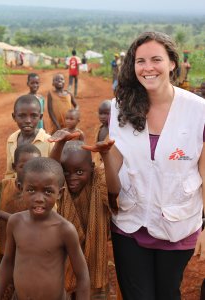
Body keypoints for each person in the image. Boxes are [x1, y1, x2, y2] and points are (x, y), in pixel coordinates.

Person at [84, 31, 205, 300]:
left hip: (179, 224)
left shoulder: (198, 111)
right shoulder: (121, 107)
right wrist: (105, 155)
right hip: (129, 223)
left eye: (156, 60)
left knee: (168, 293)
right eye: (140, 61)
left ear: (172, 63)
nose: (148, 68)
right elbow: (116, 173)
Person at [0, 157, 90, 300]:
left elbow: (82, 276)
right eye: (31, 190)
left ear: (60, 193)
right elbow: (7, 261)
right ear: (21, 188)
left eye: (48, 191)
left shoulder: (64, 230)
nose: (39, 198)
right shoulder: (15, 222)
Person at [50, 137, 118, 299]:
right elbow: (50, 171)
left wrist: (106, 155)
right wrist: (59, 144)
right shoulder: (59, 187)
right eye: (66, 172)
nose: (72, 177)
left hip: (95, 264)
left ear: (92, 168)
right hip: (64, 265)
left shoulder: (98, 180)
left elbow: (114, 189)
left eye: (79, 172)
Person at [0, 144, 42, 262]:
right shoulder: (5, 186)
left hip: (33, 256)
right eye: (23, 166)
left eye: (34, 166)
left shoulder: (43, 193)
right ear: (14, 167)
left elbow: (31, 222)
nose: (29, 171)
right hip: (6, 254)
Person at [5, 94, 54, 179]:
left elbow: (54, 172)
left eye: (33, 116)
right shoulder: (11, 140)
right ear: (14, 117)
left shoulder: (48, 141)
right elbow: (10, 173)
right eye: (22, 116)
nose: (28, 121)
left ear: (40, 117)